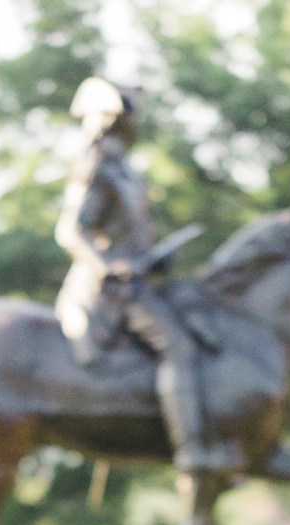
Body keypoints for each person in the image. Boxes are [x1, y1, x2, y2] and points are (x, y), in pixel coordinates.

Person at [55, 77, 235, 473]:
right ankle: (192, 452)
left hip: (137, 284)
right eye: (130, 116)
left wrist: (151, 261)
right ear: (114, 122)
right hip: (111, 294)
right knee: (180, 348)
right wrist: (108, 267)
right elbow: (72, 230)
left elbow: (126, 235)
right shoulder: (97, 165)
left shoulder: (124, 170)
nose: (138, 123)